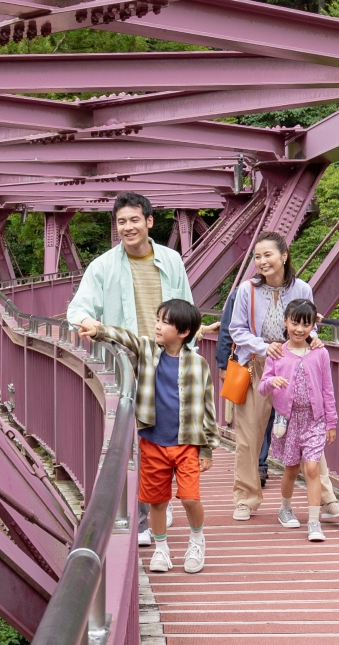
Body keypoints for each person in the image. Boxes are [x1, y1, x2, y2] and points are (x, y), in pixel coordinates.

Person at [63, 192, 207, 547]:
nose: (128, 227)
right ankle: (146, 518)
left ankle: (160, 504)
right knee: (138, 441)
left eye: (134, 220)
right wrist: (89, 323)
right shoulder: (104, 266)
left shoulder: (171, 260)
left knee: (170, 433)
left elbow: (186, 306)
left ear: (149, 222)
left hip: (170, 359)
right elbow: (77, 308)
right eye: (121, 222)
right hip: (129, 362)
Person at [76, 299, 214, 573]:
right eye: (158, 319)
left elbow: (207, 407)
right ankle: (162, 549)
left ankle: (197, 539)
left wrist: (207, 447)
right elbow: (126, 338)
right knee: (157, 501)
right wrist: (99, 331)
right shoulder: (148, 351)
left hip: (188, 443)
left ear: (184, 332)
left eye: (165, 322)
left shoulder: (199, 365)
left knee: (189, 498)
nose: (158, 326)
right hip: (152, 440)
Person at [217, 231, 313, 521]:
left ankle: (323, 499)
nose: (262, 261)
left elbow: (309, 325)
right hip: (256, 364)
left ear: (284, 255)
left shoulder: (302, 289)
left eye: (268, 254)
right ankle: (246, 498)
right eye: (257, 256)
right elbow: (236, 329)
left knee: (305, 431)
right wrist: (262, 346)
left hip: (291, 365)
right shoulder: (246, 290)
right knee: (249, 436)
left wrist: (313, 340)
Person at [261, 297, 339, 542]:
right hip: (287, 420)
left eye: (305, 324)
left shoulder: (320, 353)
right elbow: (262, 387)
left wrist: (331, 422)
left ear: (312, 326)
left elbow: (328, 388)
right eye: (295, 323)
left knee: (313, 468)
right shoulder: (277, 352)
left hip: (314, 419)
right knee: (292, 469)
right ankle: (285, 508)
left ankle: (314, 522)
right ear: (285, 322)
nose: (299, 329)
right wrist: (272, 382)